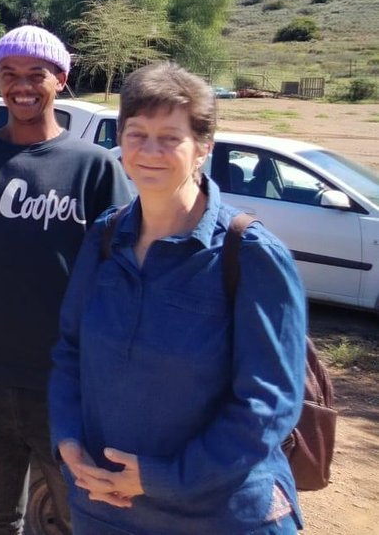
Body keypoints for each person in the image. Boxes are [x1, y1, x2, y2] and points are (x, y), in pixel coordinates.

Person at [49, 62, 307, 534]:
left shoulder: (248, 255)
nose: (150, 151)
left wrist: (163, 478)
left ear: (203, 148)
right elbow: (70, 353)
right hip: (106, 509)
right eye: (136, 133)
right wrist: (67, 442)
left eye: (170, 137)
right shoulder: (105, 238)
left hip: (219, 516)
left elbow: (267, 404)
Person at [0, 25, 133, 535]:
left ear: (60, 78)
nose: (21, 86)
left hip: (69, 382)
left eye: (35, 74)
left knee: (79, 514)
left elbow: (123, 277)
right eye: (8, 74)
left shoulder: (94, 169)